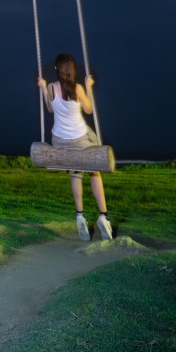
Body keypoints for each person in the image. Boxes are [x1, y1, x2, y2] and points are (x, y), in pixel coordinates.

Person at [38, 52, 113, 242]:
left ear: (57, 70)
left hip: (60, 140)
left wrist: (43, 89)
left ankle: (80, 215)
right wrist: (88, 87)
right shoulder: (78, 89)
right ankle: (103, 216)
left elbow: (49, 108)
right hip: (79, 139)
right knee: (94, 171)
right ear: (73, 71)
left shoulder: (52, 88)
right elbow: (88, 109)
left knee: (75, 173)